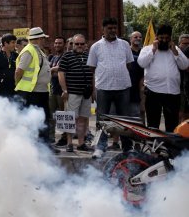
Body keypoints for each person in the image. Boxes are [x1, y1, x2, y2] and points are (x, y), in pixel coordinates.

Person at [87, 17, 134, 159]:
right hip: (104, 88)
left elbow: (129, 64)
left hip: (123, 87)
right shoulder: (96, 46)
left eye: (114, 28)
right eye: (109, 28)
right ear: (103, 29)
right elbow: (92, 67)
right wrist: (94, 89)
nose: (113, 31)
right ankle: (100, 147)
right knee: (102, 119)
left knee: (124, 119)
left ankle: (128, 148)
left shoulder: (125, 44)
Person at [137, 24, 189, 131]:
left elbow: (185, 65)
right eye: (161, 38)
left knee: (172, 124)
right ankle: (155, 147)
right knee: (153, 124)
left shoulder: (176, 50)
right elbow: (142, 63)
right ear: (156, 37)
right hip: (153, 91)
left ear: (170, 38)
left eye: (167, 38)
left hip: (172, 92)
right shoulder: (147, 49)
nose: (164, 41)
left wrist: (175, 51)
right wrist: (153, 50)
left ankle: (170, 147)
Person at [14, 27, 58, 153]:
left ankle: (44, 146)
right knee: (35, 120)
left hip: (40, 91)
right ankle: (38, 147)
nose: (44, 40)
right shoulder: (29, 51)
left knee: (43, 119)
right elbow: (19, 71)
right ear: (38, 39)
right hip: (32, 92)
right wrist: (19, 86)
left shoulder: (37, 50)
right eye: (43, 38)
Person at [58, 34, 94, 152]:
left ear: (85, 45)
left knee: (83, 119)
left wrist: (93, 90)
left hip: (86, 94)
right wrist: (65, 90)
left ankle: (81, 143)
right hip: (72, 92)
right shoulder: (67, 56)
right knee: (70, 119)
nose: (79, 46)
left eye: (82, 44)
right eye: (77, 44)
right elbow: (61, 73)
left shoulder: (89, 56)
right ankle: (69, 143)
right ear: (72, 44)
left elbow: (93, 74)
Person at [49, 36, 66, 146]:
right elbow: (50, 71)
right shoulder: (54, 57)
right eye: (56, 43)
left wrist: (54, 70)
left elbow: (61, 70)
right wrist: (54, 70)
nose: (57, 45)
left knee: (63, 116)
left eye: (60, 43)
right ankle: (51, 137)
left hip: (62, 91)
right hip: (52, 90)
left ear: (64, 45)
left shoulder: (66, 56)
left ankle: (64, 138)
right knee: (51, 115)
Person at [127, 31, 145, 119]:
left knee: (141, 113)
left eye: (140, 37)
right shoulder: (126, 52)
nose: (138, 39)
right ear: (130, 39)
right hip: (129, 88)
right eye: (135, 37)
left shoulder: (145, 52)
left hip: (142, 89)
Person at [177, 34, 189, 122]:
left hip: (187, 88)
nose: (187, 46)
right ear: (179, 44)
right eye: (185, 43)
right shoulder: (175, 54)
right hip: (178, 88)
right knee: (179, 113)